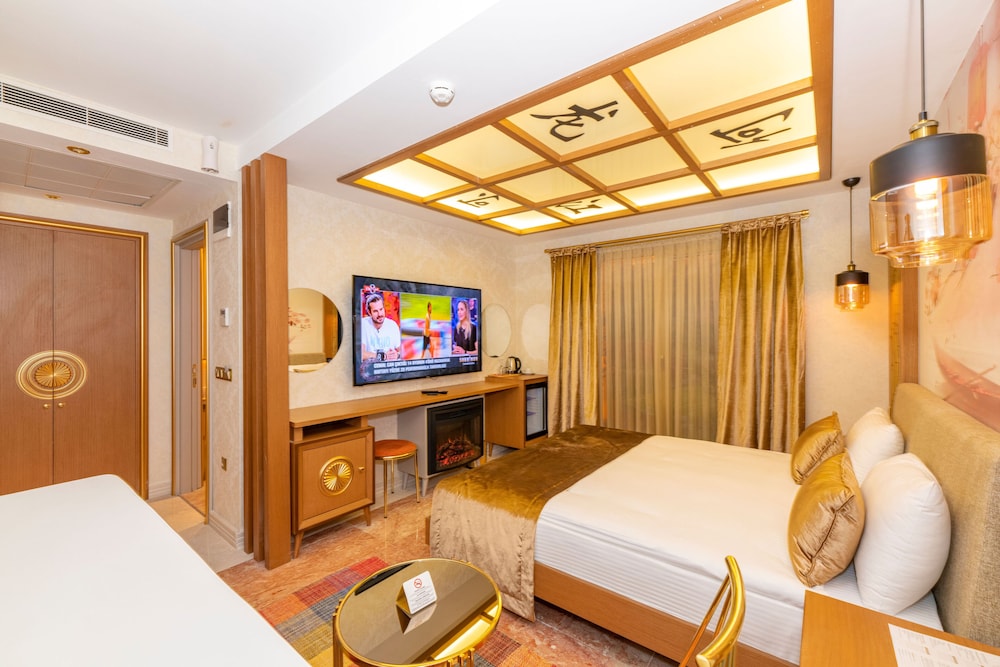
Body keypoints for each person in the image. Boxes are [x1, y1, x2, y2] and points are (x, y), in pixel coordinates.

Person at [360, 292, 402, 361]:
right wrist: (383, 356)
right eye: (375, 311)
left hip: (389, 367)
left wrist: (397, 354)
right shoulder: (363, 324)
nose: (380, 314)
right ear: (369, 313)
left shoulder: (393, 325)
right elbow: (360, 354)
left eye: (381, 309)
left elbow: (402, 351)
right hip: (370, 367)